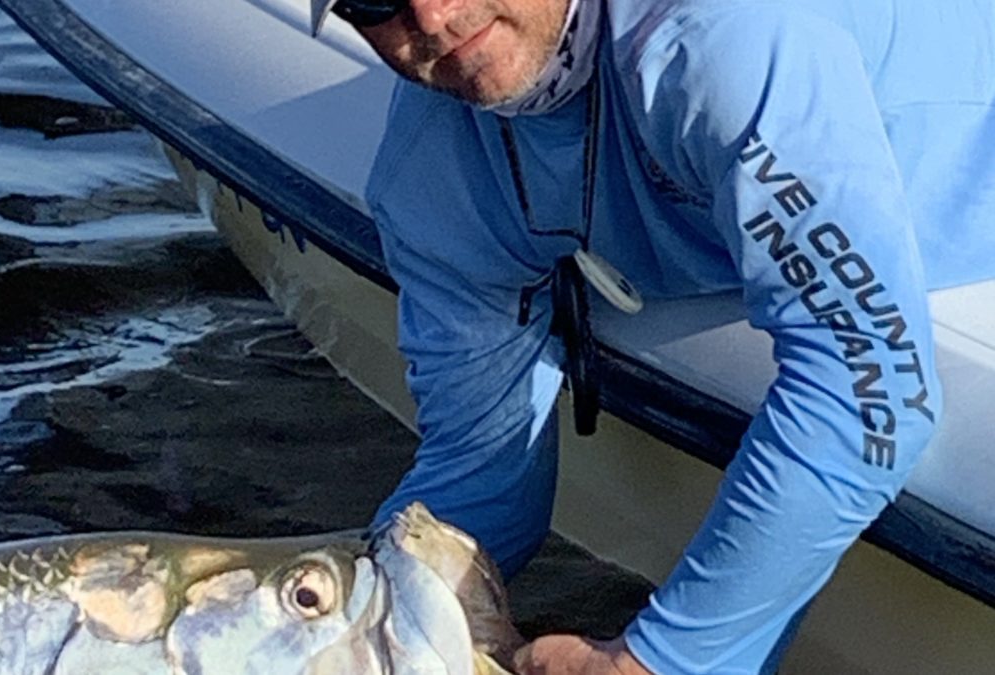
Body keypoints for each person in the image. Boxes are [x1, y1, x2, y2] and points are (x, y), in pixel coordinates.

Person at [308, 0, 995, 672]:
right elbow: (479, 472)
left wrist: (657, 659)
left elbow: (872, 392)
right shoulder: (428, 172)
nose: (431, 16)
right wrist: (348, 628)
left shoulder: (723, 40)